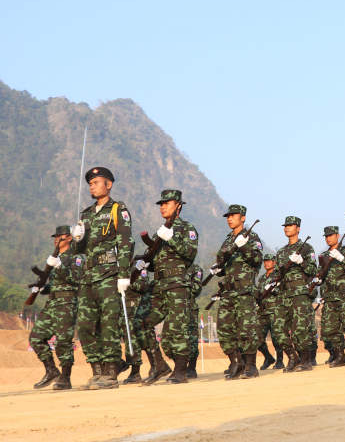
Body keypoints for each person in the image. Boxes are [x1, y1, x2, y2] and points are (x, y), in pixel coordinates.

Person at [72, 166, 134, 389]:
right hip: (88, 276)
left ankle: (111, 372)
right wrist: (77, 239)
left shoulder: (118, 209)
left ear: (108, 185)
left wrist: (124, 274)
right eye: (90, 183)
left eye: (96, 182)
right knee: (85, 325)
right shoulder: (86, 214)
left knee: (108, 324)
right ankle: (97, 370)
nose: (92, 186)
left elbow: (125, 242)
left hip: (109, 274)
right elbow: (79, 250)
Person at [140, 189, 198, 384]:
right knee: (141, 322)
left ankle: (180, 371)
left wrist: (170, 238)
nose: (162, 207)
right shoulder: (159, 232)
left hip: (176, 285)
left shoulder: (186, 228)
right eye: (161, 204)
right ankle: (159, 365)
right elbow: (154, 261)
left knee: (176, 329)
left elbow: (190, 254)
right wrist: (144, 263)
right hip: (158, 287)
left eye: (167, 203)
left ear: (178, 206)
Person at [211, 204, 263, 380]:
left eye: (233, 215)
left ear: (243, 218)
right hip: (228, 292)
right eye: (228, 216)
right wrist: (218, 269)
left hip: (244, 290)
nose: (229, 218)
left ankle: (251, 366)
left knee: (247, 329)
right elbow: (222, 262)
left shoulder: (252, 237)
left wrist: (244, 246)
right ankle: (236, 362)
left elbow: (257, 260)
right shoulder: (227, 240)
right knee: (224, 329)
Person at [29, 225, 81, 390]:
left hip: (67, 303)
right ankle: (51, 370)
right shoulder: (56, 257)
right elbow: (55, 284)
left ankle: (65, 377)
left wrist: (59, 266)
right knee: (36, 337)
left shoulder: (76, 256)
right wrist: (42, 289)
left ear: (69, 238)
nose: (56, 239)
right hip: (52, 303)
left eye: (60, 236)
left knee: (63, 342)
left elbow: (76, 278)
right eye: (55, 237)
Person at [276, 216, 317, 372]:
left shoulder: (306, 248)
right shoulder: (281, 252)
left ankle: (305, 361)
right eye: (285, 225)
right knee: (278, 328)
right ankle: (293, 357)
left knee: (300, 329)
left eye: (290, 225)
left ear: (298, 228)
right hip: (284, 293)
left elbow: (313, 270)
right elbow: (278, 273)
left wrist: (302, 262)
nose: (287, 228)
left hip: (300, 293)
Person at [316, 226, 345, 367]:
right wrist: (318, 279)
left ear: (337, 236)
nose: (328, 238)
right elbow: (320, 274)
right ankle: (340, 356)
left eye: (331, 235)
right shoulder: (324, 255)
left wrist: (341, 259)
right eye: (326, 236)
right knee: (331, 328)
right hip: (330, 297)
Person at [257, 253, 285, 370]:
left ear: (274, 262)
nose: (266, 263)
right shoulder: (262, 278)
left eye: (269, 261)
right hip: (262, 311)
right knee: (257, 338)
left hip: (275, 310)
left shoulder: (279, 275)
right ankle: (268, 358)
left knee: (277, 338)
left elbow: (282, 290)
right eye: (265, 261)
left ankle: (280, 361)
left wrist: (273, 289)